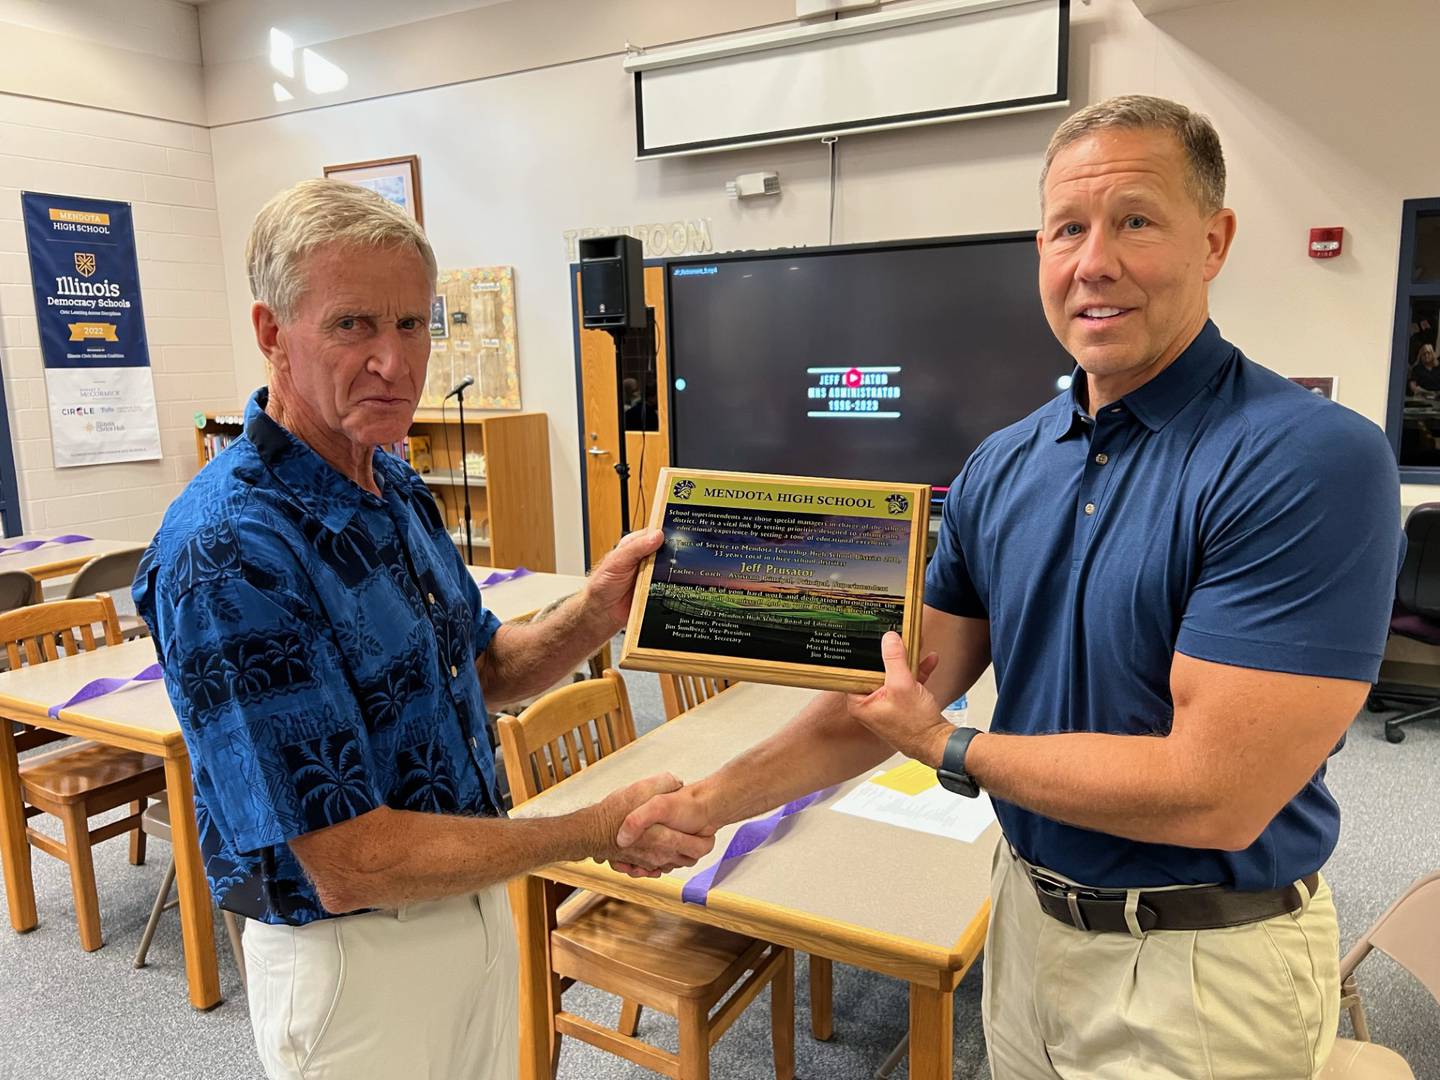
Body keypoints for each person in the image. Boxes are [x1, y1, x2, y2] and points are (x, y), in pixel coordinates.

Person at [617, 95, 1403, 1079]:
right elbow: (891, 699)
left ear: (1215, 240)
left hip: (1201, 967)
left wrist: (949, 748)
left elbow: (1215, 797)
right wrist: (708, 802)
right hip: (1026, 926)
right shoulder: (1002, 465)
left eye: (1136, 221)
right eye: (1068, 229)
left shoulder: (1305, 460)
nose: (1094, 262)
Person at [133, 179, 704, 1080]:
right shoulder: (230, 550)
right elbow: (349, 861)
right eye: (353, 325)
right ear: (272, 331)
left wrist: (595, 611)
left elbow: (483, 671)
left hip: (467, 900)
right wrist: (587, 828)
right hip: (355, 963)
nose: (394, 363)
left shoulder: (393, 487)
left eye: (412, 325)